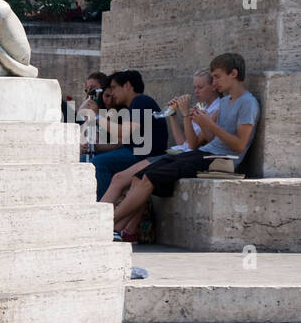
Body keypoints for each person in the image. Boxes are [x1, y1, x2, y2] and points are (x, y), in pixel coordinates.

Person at [106, 53, 259, 237]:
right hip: (204, 153)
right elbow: (208, 139)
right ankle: (114, 230)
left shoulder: (248, 103)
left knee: (149, 177)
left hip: (219, 160)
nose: (215, 81)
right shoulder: (225, 102)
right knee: (140, 176)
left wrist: (208, 124)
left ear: (233, 73)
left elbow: (240, 145)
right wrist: (200, 121)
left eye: (217, 76)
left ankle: (107, 223)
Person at [84, 70, 167, 200]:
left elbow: (124, 132)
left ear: (127, 86)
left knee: (98, 163)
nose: (112, 93)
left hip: (144, 156)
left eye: (114, 88)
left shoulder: (141, 101)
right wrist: (95, 147)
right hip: (133, 152)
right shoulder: (134, 105)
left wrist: (98, 116)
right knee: (84, 161)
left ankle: (103, 207)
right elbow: (122, 142)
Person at [167, 69, 221, 152]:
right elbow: (182, 143)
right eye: (194, 87)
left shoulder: (218, 108)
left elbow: (192, 146)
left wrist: (186, 114)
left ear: (213, 87)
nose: (196, 91)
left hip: (193, 156)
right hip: (181, 152)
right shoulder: (200, 106)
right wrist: (173, 115)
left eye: (200, 87)